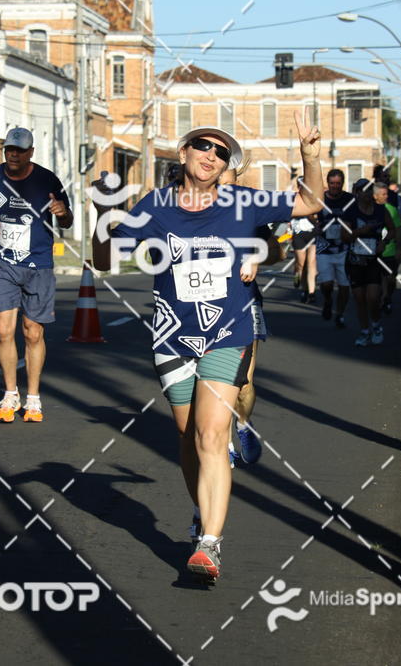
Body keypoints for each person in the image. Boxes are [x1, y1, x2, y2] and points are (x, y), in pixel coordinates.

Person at [91, 115, 323, 582]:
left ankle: (210, 544)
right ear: (184, 153)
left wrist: (310, 155)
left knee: (212, 435)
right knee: (188, 437)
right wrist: (101, 214)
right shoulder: (155, 205)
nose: (211, 155)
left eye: (220, 152)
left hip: (228, 332)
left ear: (225, 164)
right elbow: (104, 259)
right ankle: (201, 512)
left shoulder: (243, 202)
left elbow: (309, 202)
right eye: (202, 146)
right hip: (172, 335)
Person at [0, 127, 73, 423]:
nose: (13, 155)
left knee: (33, 332)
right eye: (9, 150)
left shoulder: (47, 179)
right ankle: (10, 393)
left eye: (19, 150)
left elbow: (66, 220)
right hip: (2, 262)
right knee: (4, 330)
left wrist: (61, 210)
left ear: (31, 152)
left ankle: (33, 398)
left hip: (38, 264)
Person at [218, 165, 284, 468]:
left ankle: (242, 424)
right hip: (202, 310)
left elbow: (277, 252)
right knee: (211, 383)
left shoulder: (246, 212)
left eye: (228, 183)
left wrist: (256, 256)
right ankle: (224, 443)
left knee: (242, 382)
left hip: (244, 303)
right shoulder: (189, 211)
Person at [342, 178, 395, 347]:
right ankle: (364, 331)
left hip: (373, 260)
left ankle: (376, 325)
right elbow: (344, 236)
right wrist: (359, 232)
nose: (365, 194)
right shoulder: (350, 212)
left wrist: (384, 242)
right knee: (359, 299)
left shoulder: (380, 210)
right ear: (356, 193)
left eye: (367, 190)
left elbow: (392, 230)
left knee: (373, 297)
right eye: (361, 191)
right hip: (355, 260)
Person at [315, 168, 354, 328]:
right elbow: (310, 214)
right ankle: (328, 300)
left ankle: (340, 314)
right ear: (328, 183)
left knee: (344, 286)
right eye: (332, 183)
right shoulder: (321, 199)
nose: (335, 186)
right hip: (324, 248)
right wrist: (315, 226)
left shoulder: (349, 200)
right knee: (327, 284)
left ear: (342, 183)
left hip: (344, 249)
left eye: (338, 183)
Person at [373, 182, 401, 314]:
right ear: (375, 196)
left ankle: (387, 297)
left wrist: (398, 249)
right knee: (379, 279)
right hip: (375, 251)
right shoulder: (370, 210)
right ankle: (382, 301)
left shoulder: (391, 209)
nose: (386, 196)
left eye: (387, 194)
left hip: (390, 250)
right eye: (383, 194)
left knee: (390, 279)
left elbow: (398, 230)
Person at [291, 182, 317, 303]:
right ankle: (299, 279)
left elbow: (318, 217)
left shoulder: (314, 200)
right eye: (301, 185)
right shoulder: (293, 200)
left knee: (311, 263)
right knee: (301, 264)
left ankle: (311, 292)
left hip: (312, 234)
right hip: (299, 235)